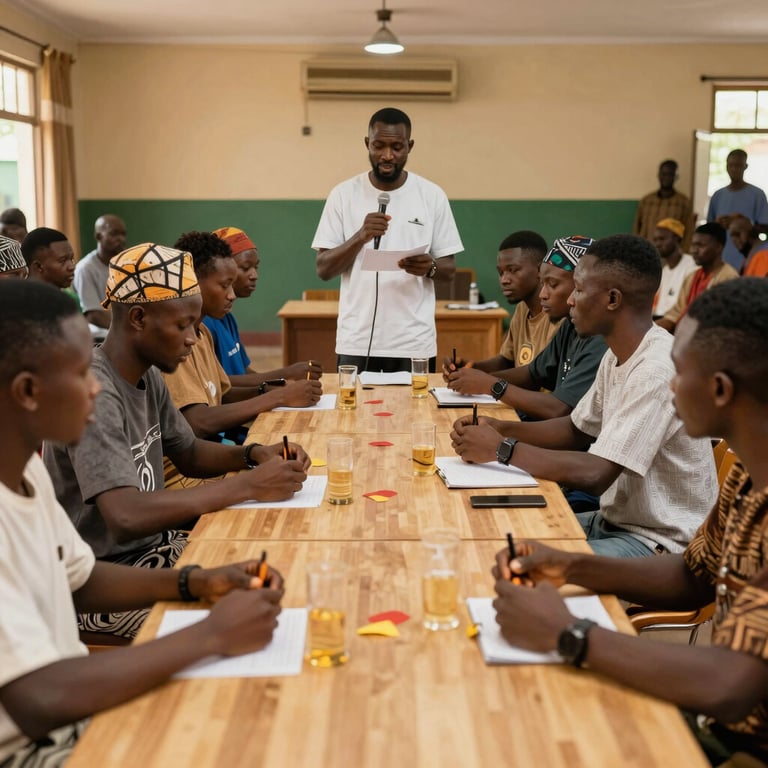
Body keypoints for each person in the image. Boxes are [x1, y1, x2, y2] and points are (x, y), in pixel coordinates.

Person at [0, 279, 285, 767]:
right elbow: (37, 696)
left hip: (69, 711)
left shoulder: (24, 469)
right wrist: (209, 633)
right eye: (79, 374)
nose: (95, 387)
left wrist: (196, 582)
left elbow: (81, 578)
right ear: (28, 391)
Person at [491, 278, 768, 767]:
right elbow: (692, 575)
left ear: (721, 390)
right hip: (716, 719)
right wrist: (569, 566)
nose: (670, 382)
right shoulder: (749, 473)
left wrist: (570, 633)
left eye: (679, 373)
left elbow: (730, 684)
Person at [44, 243, 309, 639]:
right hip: (104, 579)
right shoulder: (95, 393)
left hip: (155, 549)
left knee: (278, 567)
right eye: (183, 325)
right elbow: (126, 516)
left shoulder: (147, 375)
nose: (193, 338)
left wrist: (253, 455)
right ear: (138, 318)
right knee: (247, 621)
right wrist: (245, 485)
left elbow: (188, 453)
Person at [451, 234, 717, 557]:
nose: (572, 301)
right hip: (615, 522)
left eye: (578, 289)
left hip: (660, 544)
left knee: (522, 570)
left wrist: (501, 449)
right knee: (496, 537)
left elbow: (595, 474)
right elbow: (574, 430)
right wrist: (500, 427)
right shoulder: (617, 354)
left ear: (613, 299)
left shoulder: (655, 370)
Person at [312, 107, 464, 373]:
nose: (387, 155)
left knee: (415, 415)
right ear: (367, 144)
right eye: (378, 145)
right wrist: (360, 237)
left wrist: (429, 267)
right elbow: (323, 269)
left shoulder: (432, 195)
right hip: (356, 340)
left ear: (410, 146)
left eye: (397, 147)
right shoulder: (342, 195)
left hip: (414, 341)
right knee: (352, 414)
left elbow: (449, 269)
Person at [163, 231, 321, 456]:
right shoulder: (173, 345)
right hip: (202, 453)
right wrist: (278, 396)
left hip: (213, 444)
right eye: (225, 285)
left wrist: (271, 388)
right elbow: (198, 422)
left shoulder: (203, 332)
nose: (231, 295)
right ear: (193, 283)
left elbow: (222, 392)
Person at [445, 236, 607, 422]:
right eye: (543, 283)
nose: (542, 294)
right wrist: (474, 377)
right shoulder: (571, 325)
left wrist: (490, 385)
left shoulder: (599, 339)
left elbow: (559, 409)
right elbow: (532, 373)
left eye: (552, 285)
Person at [203, 226, 323, 384]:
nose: (254, 275)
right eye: (245, 268)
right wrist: (287, 374)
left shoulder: (227, 319)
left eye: (256, 267)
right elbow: (222, 385)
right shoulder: (206, 325)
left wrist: (282, 382)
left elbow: (245, 373)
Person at [443, 230, 560, 377]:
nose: (504, 279)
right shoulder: (522, 308)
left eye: (513, 270)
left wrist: (483, 380)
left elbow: (538, 377)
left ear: (539, 270)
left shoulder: (557, 315)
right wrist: (471, 367)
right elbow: (506, 361)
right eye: (501, 272)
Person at [657, 223, 739, 333]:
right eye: (693, 245)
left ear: (718, 247)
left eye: (700, 245)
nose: (693, 250)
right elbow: (676, 314)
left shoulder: (729, 277)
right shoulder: (693, 276)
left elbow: (721, 322)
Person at [707, 148, 768, 271]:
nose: (734, 169)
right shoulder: (718, 195)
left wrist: (742, 223)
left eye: (738, 165)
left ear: (745, 166)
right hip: (721, 258)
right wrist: (719, 224)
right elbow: (709, 230)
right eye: (731, 165)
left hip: (748, 259)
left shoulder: (757, 195)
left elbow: (765, 230)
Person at [73, 213, 127, 332]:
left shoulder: (126, 265)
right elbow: (93, 315)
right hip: (99, 335)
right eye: (114, 233)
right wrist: (126, 331)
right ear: (98, 236)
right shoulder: (85, 269)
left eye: (123, 234)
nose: (120, 239)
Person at [633, 160, 693, 251]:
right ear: (658, 175)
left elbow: (688, 232)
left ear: (676, 177)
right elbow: (637, 228)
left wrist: (683, 253)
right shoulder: (646, 201)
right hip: (647, 251)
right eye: (663, 174)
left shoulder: (683, 202)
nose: (666, 178)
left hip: (671, 256)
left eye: (670, 174)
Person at [651, 218, 697, 319]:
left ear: (677, 239)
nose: (657, 244)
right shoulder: (664, 271)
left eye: (662, 239)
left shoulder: (692, 267)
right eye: (655, 240)